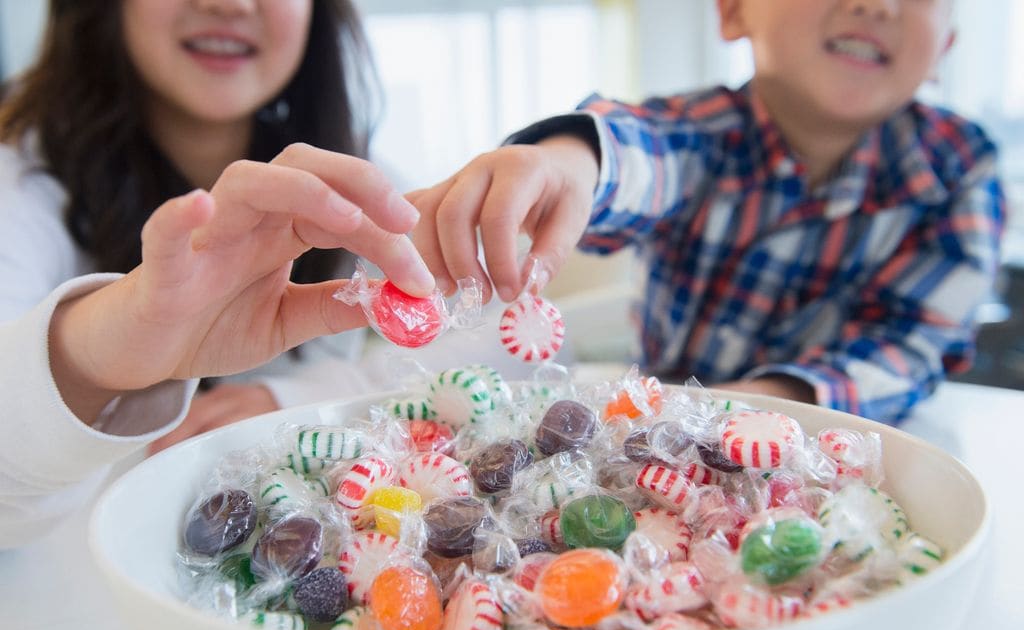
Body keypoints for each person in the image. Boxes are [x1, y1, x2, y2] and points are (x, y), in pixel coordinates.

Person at [410, 0, 1006, 426]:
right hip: (658, 437)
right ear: (732, 11)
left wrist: (749, 405)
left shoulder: (961, 166)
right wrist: (570, 163)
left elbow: (909, 347)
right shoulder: (706, 131)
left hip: (854, 446)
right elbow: (648, 149)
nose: (876, 6)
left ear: (944, 49)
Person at [0, 0, 434, 548]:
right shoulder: (16, 186)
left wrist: (295, 394)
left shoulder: (352, 183)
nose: (227, 4)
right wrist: (90, 357)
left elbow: (493, 348)